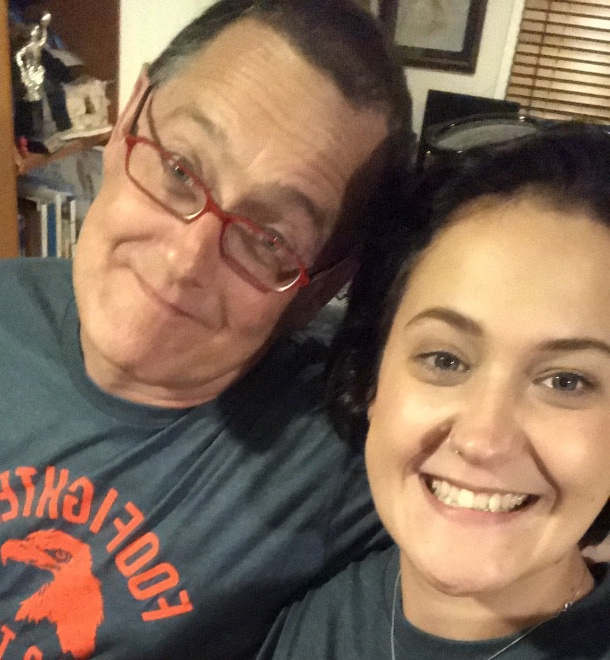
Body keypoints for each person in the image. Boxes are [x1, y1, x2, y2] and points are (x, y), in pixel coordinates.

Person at [0, 1, 413, 658]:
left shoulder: (340, 455)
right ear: (129, 118)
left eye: (268, 238)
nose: (182, 259)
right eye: (179, 169)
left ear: (320, 288)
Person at [259, 123, 610, 659]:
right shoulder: (317, 622)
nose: (482, 440)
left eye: (567, 381)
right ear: (370, 378)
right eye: (445, 359)